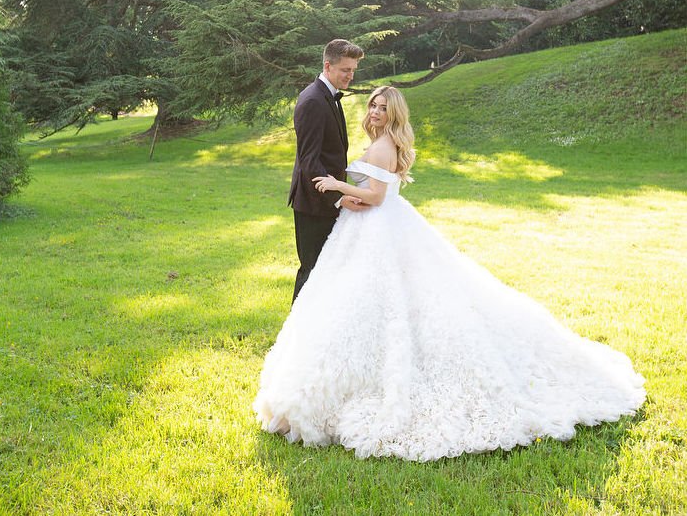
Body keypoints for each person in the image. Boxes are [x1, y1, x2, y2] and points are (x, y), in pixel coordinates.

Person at [255, 86, 646, 462]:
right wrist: (349, 196)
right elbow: (372, 190)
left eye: (382, 108)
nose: (374, 112)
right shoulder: (381, 144)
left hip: (379, 232)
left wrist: (337, 184)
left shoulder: (384, 145)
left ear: (394, 115)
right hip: (369, 228)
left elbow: (376, 195)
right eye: (372, 105)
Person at [288, 38, 365, 302]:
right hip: (313, 203)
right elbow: (309, 161)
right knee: (312, 270)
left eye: (353, 70)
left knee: (328, 269)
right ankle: (296, 326)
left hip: (326, 201)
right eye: (345, 70)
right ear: (328, 66)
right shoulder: (312, 100)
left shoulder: (329, 96)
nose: (350, 75)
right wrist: (338, 198)